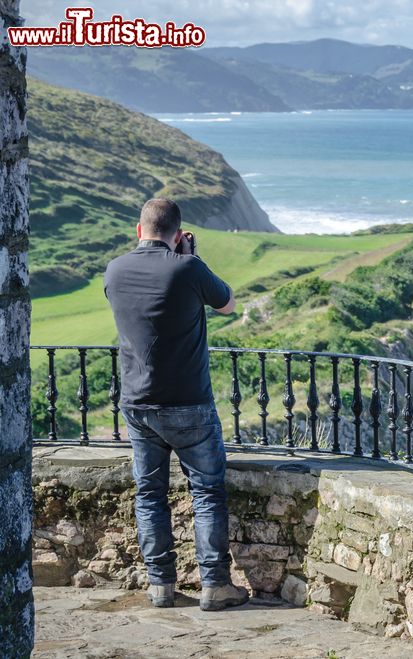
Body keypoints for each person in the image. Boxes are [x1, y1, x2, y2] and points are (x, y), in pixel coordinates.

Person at [104, 198, 249, 611]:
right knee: (206, 492)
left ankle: (160, 586)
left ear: (139, 230)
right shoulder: (188, 268)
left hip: (137, 402)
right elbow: (227, 303)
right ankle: (214, 585)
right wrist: (191, 258)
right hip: (189, 403)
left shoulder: (114, 270)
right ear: (178, 233)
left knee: (149, 493)